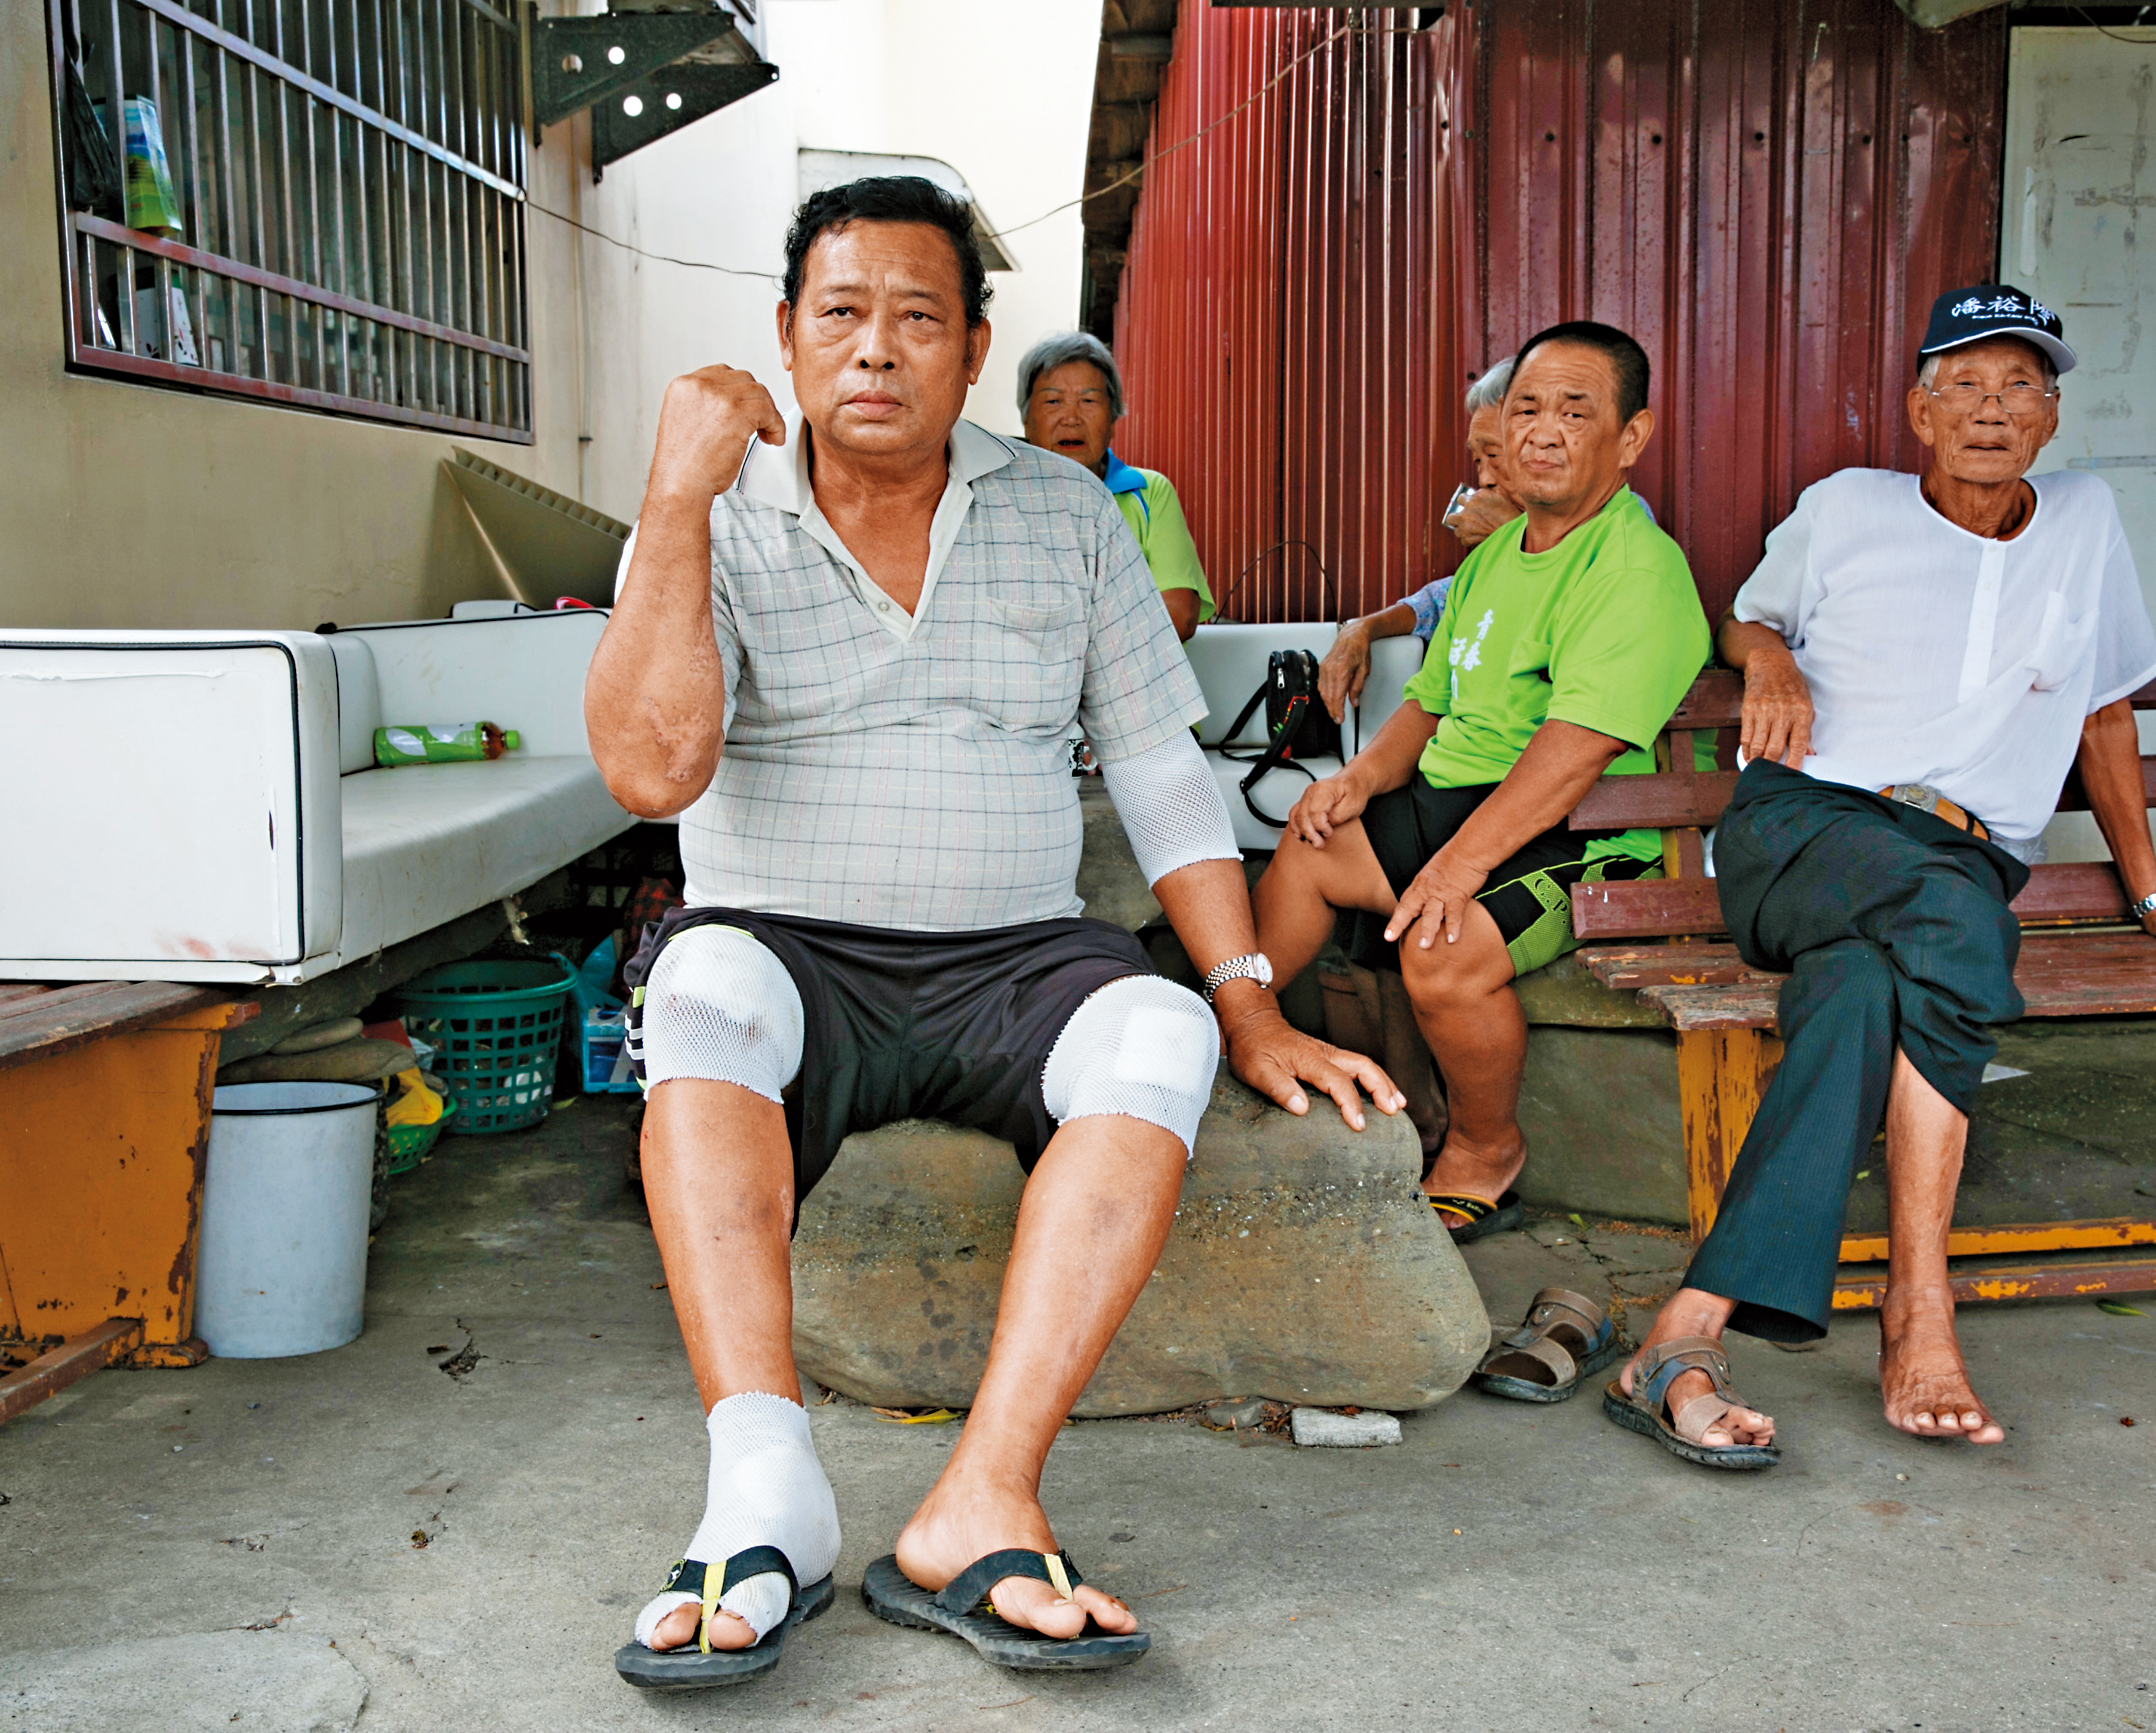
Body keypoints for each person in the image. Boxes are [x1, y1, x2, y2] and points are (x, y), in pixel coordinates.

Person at [586, 177, 1398, 1689]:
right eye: (839, 314)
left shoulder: (1063, 512)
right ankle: (763, 1492)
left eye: (915, 318)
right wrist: (671, 499)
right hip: (784, 947)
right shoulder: (704, 510)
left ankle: (978, 1501)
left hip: (1013, 958)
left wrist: (1245, 996)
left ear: (972, 349)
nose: (873, 351)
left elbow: (1161, 767)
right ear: (783, 334)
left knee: (1152, 1028)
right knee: (692, 989)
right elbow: (650, 769)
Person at [1604, 286, 2156, 1472]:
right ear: (1920, 410)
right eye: (1964, 386)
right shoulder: (1848, 508)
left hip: (1956, 857)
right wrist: (1770, 662)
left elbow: (2106, 709)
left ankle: (1684, 1331)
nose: (1990, 409)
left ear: (2053, 415)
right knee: (1952, 921)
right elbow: (1748, 620)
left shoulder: (2087, 521)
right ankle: (1920, 1304)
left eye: (2017, 386)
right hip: (1804, 831)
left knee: (1866, 991)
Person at [1250, 320, 1711, 1247]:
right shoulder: (1497, 554)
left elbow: (1572, 755)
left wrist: (1454, 868)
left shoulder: (1633, 566)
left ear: (1630, 437)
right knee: (1307, 849)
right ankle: (1241, 1027)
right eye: (1527, 407)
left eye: (1574, 412)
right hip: (1465, 801)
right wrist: (1356, 779)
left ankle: (1484, 1144)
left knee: (1441, 946)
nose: (1540, 431)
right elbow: (1428, 700)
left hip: (1586, 832)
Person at [1316, 359, 1520, 725]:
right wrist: (1362, 627)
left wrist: (1513, 535)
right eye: (1478, 461)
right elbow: (1442, 600)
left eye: (1494, 456)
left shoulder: (1613, 530)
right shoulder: (1495, 544)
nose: (1485, 479)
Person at [1017, 330, 1214, 640]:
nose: (1071, 418)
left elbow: (1179, 614)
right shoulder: (1001, 499)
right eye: (1053, 401)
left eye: (1088, 400)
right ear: (1027, 420)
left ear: (1113, 420)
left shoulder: (1149, 492)